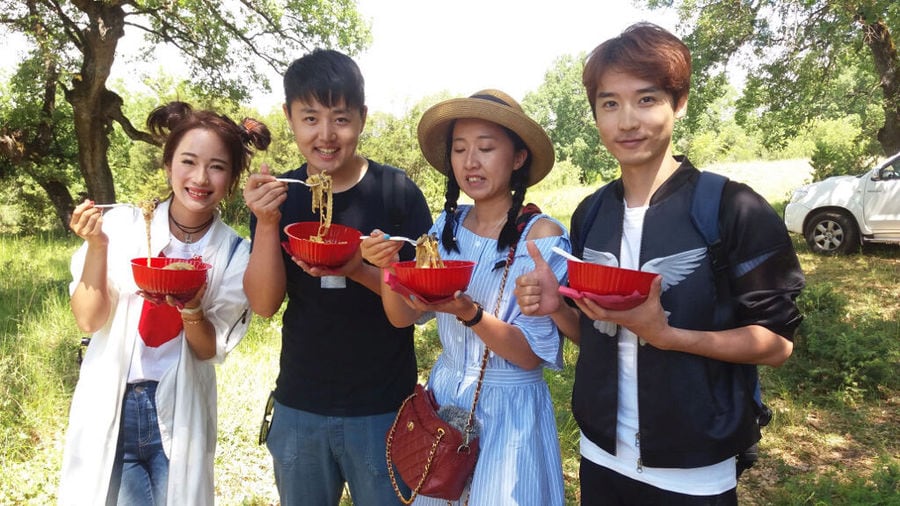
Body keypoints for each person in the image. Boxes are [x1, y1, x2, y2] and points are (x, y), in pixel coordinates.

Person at [513, 23, 805, 505]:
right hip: (601, 454)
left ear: (679, 102)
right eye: (609, 104)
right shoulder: (592, 213)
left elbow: (775, 344)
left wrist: (668, 336)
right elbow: (600, 334)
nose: (627, 121)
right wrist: (557, 308)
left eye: (646, 99)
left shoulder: (730, 207)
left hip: (693, 466)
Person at [241, 48, 433, 505]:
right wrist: (267, 223)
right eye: (310, 118)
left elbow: (417, 312)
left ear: (362, 118)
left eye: (340, 118)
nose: (325, 135)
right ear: (289, 118)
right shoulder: (280, 196)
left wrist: (361, 270)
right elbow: (264, 305)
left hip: (384, 408)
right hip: (300, 404)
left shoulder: (395, 192)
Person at [362, 89, 568, 505]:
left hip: (510, 410)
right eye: (459, 149)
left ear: (518, 157)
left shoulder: (540, 237)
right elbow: (403, 317)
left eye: (486, 148)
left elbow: (529, 356)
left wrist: (468, 312)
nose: (470, 162)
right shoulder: (445, 228)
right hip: (447, 398)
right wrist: (386, 267)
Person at [59, 101, 270, 505]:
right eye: (188, 161)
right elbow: (89, 319)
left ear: (232, 178)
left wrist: (191, 307)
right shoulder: (122, 227)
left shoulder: (231, 253)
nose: (200, 178)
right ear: (169, 163)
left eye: (217, 167)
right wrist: (97, 245)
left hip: (178, 410)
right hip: (114, 401)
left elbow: (209, 349)